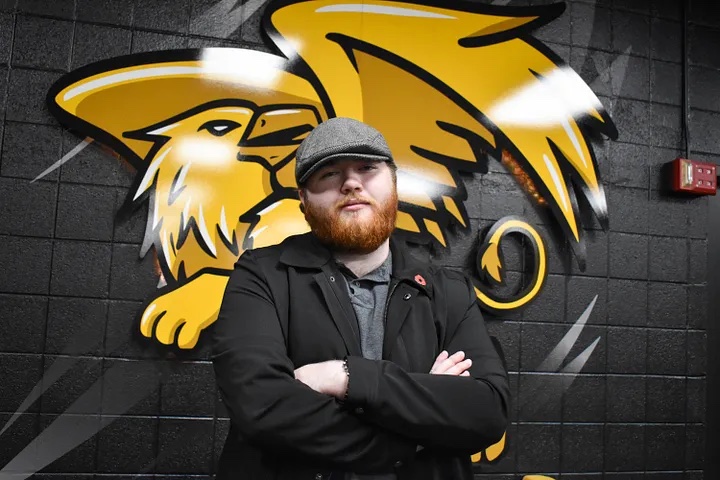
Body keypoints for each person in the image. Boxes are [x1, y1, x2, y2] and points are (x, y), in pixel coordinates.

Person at [211, 117, 509, 480]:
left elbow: (486, 411)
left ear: (394, 184)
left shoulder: (448, 292)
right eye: (329, 173)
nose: (351, 183)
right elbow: (263, 408)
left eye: (367, 168)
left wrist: (344, 377)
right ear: (303, 199)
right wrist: (418, 430)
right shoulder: (262, 275)